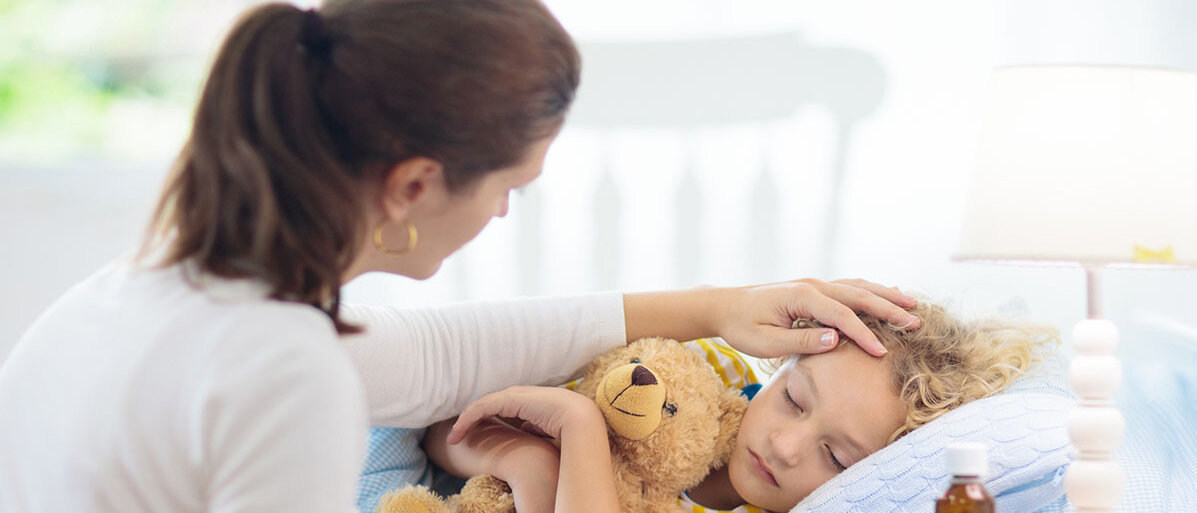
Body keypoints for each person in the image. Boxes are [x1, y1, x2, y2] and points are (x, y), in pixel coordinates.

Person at [0, 1, 919, 512]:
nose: (505, 214)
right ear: (412, 187)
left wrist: (714, 307)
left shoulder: (143, 295)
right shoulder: (286, 371)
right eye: (505, 187)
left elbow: (446, 356)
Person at [427, 300, 1058, 513]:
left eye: (835, 458)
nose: (785, 445)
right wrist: (531, 461)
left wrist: (580, 431)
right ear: (781, 367)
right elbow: (442, 432)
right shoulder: (695, 377)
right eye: (792, 400)